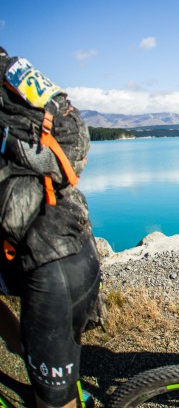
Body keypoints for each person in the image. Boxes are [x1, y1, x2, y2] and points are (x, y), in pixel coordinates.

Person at [0, 49, 101, 408]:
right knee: (44, 360)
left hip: (52, 266)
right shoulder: (14, 81)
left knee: (54, 403)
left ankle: (53, 389)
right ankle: (34, 359)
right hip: (70, 238)